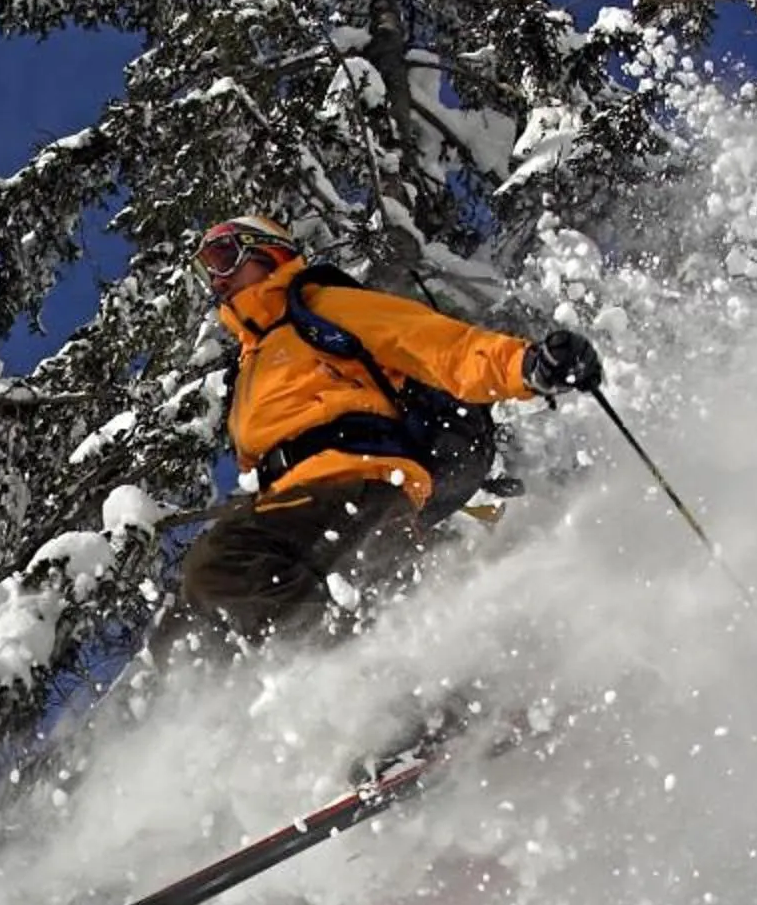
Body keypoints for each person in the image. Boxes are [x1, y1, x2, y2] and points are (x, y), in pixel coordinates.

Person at [178, 214, 603, 640]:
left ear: (269, 251)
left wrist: (525, 366)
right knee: (182, 628)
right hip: (295, 507)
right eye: (203, 271)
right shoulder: (249, 368)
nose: (215, 278)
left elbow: (435, 344)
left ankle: (337, 662)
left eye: (222, 257)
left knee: (217, 566)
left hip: (356, 486)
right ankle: (368, 684)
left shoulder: (320, 308)